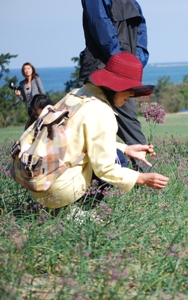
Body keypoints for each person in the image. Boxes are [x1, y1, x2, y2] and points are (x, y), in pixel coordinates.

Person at [28, 52, 169, 209]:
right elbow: (105, 168)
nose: (131, 95)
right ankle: (78, 211)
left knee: (119, 153)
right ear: (113, 86)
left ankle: (51, 208)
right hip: (59, 191)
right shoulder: (101, 111)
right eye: (129, 89)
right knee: (118, 159)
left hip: (37, 184)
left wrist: (127, 148)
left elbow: (79, 139)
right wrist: (142, 178)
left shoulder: (76, 95)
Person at [76, 0, 149, 170]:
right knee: (125, 127)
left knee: (80, 124)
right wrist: (129, 65)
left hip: (109, 70)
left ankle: (145, 179)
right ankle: (145, 178)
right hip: (112, 70)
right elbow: (104, 30)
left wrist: (127, 65)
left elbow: (104, 29)